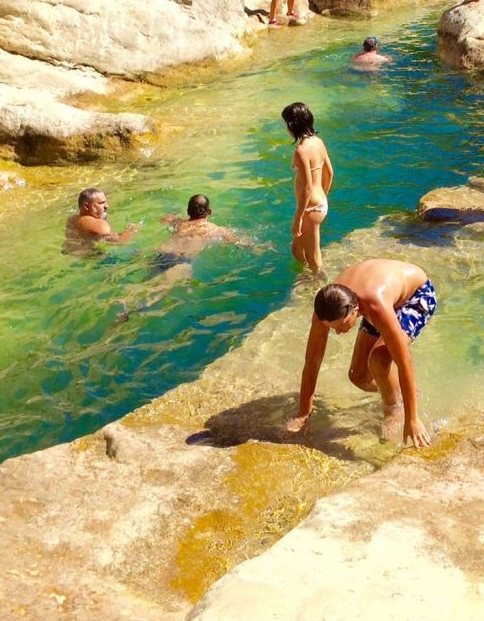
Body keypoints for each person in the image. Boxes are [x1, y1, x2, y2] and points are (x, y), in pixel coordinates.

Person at [284, 259, 437, 448]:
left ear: (356, 310)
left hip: (415, 296)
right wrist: (303, 413)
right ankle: (404, 392)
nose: (338, 332)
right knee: (358, 376)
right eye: (332, 328)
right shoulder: (324, 310)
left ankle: (394, 409)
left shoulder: (375, 305)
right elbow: (312, 361)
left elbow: (404, 361)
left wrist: (412, 419)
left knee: (379, 359)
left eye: (341, 326)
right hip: (376, 296)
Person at [282, 102, 334, 273]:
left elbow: (307, 187)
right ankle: (308, 277)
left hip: (310, 208)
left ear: (292, 124)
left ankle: (319, 286)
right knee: (297, 250)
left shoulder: (301, 151)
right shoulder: (318, 141)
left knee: (314, 258)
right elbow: (330, 173)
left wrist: (299, 218)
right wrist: (323, 197)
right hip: (317, 204)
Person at [155, 194, 246, 270]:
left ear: (188, 211)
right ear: (209, 211)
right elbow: (240, 242)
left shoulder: (179, 224)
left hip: (163, 254)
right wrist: (256, 248)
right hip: (182, 260)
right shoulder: (217, 229)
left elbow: (165, 218)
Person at [64, 188, 139, 249]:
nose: (106, 206)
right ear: (86, 206)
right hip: (95, 260)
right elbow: (121, 242)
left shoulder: (72, 219)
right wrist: (131, 230)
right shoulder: (98, 224)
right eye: (101, 203)